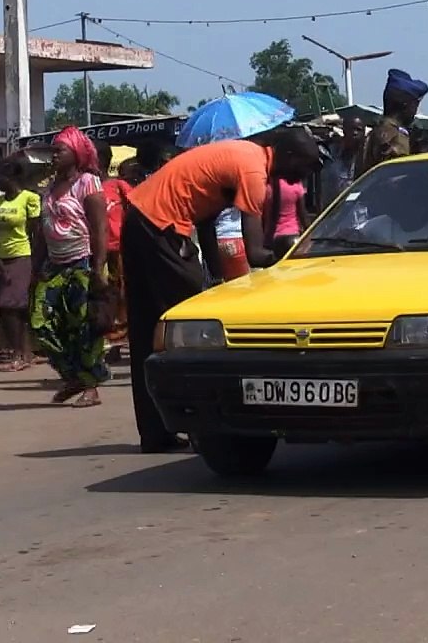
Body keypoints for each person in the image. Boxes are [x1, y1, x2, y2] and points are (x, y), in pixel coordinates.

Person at [122, 127, 322, 452]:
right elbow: (256, 252)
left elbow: (207, 217)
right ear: (288, 156)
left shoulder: (243, 155)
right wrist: (294, 257)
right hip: (161, 227)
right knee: (194, 329)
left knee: (148, 331)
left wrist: (217, 280)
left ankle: (155, 433)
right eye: (305, 166)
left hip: (140, 218)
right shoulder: (254, 171)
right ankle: (204, 427)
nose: (303, 176)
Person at [30, 126, 110, 406]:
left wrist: (98, 270)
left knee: (84, 326)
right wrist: (35, 269)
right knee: (40, 323)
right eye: (52, 151)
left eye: (59, 151)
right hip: (54, 265)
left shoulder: (88, 182)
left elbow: (100, 228)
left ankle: (91, 384)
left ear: (75, 153)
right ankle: (73, 375)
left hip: (83, 262)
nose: (53, 156)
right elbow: (42, 233)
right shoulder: (50, 188)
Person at [0, 155, 40, 370]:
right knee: (10, 306)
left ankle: (20, 353)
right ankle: (23, 351)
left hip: (22, 254)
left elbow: (35, 230)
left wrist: (37, 261)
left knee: (13, 305)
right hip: (2, 255)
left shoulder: (29, 198)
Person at [356, 69, 428, 178]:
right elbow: (399, 181)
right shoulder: (395, 137)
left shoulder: (376, 132)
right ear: (405, 105)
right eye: (415, 105)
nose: (415, 111)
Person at [99, 150, 135, 349]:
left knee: (121, 289)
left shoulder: (118, 185)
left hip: (119, 246)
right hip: (97, 248)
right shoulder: (87, 186)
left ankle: (120, 333)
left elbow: (136, 206)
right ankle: (111, 333)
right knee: (106, 291)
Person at [322, 116, 365, 204]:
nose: (355, 133)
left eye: (359, 130)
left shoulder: (366, 156)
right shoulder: (330, 153)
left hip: (358, 211)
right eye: (351, 129)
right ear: (344, 130)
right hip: (333, 210)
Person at [264, 172, 307, 255]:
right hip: (293, 235)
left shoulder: (269, 187)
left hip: (274, 237)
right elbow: (303, 214)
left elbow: (265, 214)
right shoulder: (295, 184)